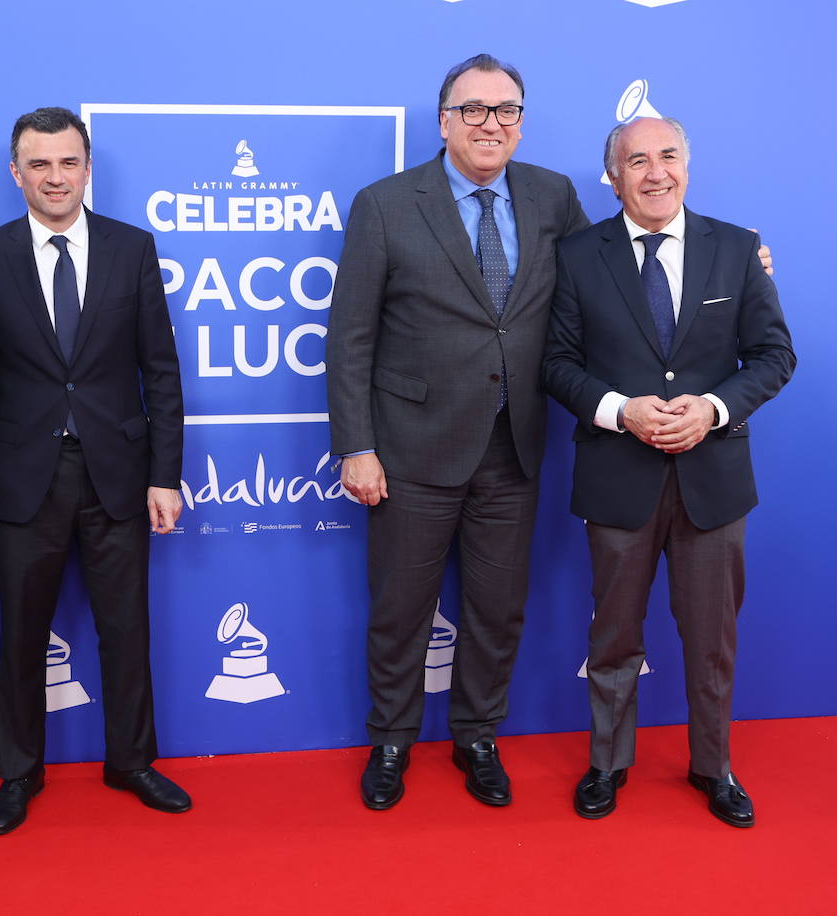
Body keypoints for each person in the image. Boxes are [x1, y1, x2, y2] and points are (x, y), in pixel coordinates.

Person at [326, 53, 590, 810]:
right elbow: (351, 337)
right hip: (409, 449)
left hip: (516, 445)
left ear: (520, 121)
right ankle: (390, 742)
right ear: (443, 122)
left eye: (505, 110)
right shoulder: (384, 204)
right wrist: (358, 445)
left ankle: (477, 735)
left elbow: (601, 284)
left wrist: (726, 263)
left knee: (499, 608)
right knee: (400, 608)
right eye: (473, 110)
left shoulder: (552, 195)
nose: (490, 124)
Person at [543, 116, 795, 828]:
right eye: (637, 161)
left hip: (713, 484)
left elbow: (775, 357)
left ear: (688, 164)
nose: (656, 173)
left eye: (669, 157)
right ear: (613, 175)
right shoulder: (577, 255)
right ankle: (607, 764)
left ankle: (714, 767)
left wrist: (712, 408)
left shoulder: (738, 249)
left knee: (712, 638)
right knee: (614, 637)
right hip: (617, 479)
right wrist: (619, 410)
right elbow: (556, 365)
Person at [0, 107, 190, 833]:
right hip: (21, 478)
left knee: (126, 630)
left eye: (67, 162)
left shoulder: (131, 248)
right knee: (22, 635)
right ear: (16, 173)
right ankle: (19, 775)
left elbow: (161, 369)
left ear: (87, 168)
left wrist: (164, 474)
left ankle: (132, 761)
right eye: (39, 164)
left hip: (119, 473)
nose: (54, 177)